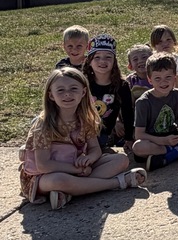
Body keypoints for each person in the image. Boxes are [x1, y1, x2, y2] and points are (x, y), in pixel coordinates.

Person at [19, 68, 146, 211]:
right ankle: (117, 183)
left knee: (121, 160)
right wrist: (75, 170)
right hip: (45, 176)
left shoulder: (85, 119)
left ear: (84, 92)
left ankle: (71, 193)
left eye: (74, 88)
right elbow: (43, 165)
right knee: (59, 180)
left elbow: (95, 149)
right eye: (60, 90)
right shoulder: (44, 124)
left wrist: (90, 158)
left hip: (78, 167)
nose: (67, 94)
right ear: (51, 95)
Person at [83, 33, 135, 150]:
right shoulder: (82, 83)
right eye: (97, 57)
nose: (102, 61)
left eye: (108, 57)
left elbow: (127, 112)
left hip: (103, 134)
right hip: (81, 132)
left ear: (114, 61)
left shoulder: (122, 85)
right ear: (89, 61)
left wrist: (129, 138)